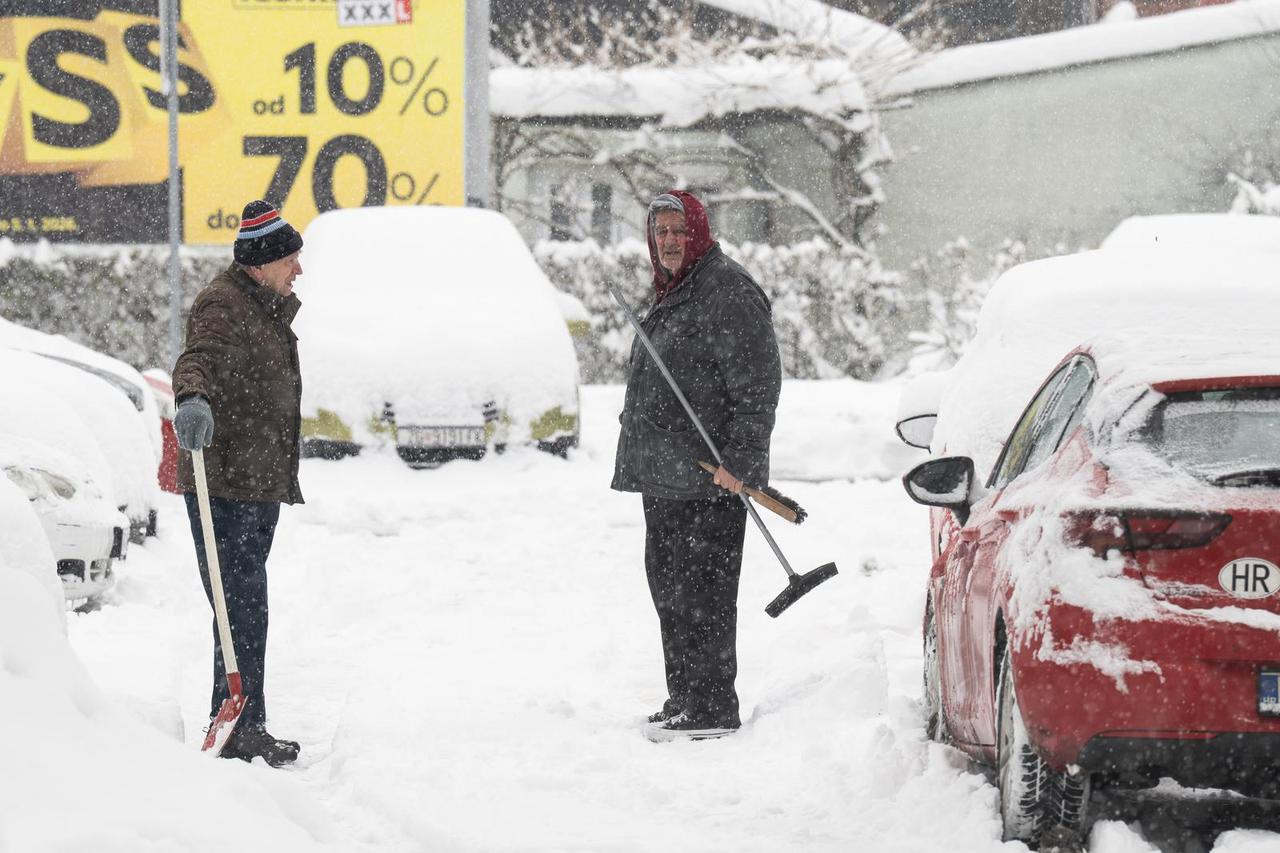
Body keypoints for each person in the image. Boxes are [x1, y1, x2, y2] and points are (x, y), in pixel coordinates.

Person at [612, 190, 782, 740]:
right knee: (669, 589)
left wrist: (743, 462)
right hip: (665, 474)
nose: (668, 241)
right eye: (660, 230)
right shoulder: (675, 293)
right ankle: (684, 696)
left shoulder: (727, 292)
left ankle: (712, 705)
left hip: (709, 480)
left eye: (678, 230)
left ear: (699, 232)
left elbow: (757, 387)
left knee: (702, 594)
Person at [171, 200, 305, 767]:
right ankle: (238, 726)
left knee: (247, 608)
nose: (298, 270)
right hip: (223, 485)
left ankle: (244, 722)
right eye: (291, 260)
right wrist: (192, 399)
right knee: (239, 607)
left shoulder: (263, 305)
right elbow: (195, 359)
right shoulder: (224, 305)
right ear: (261, 262)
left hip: (254, 482)